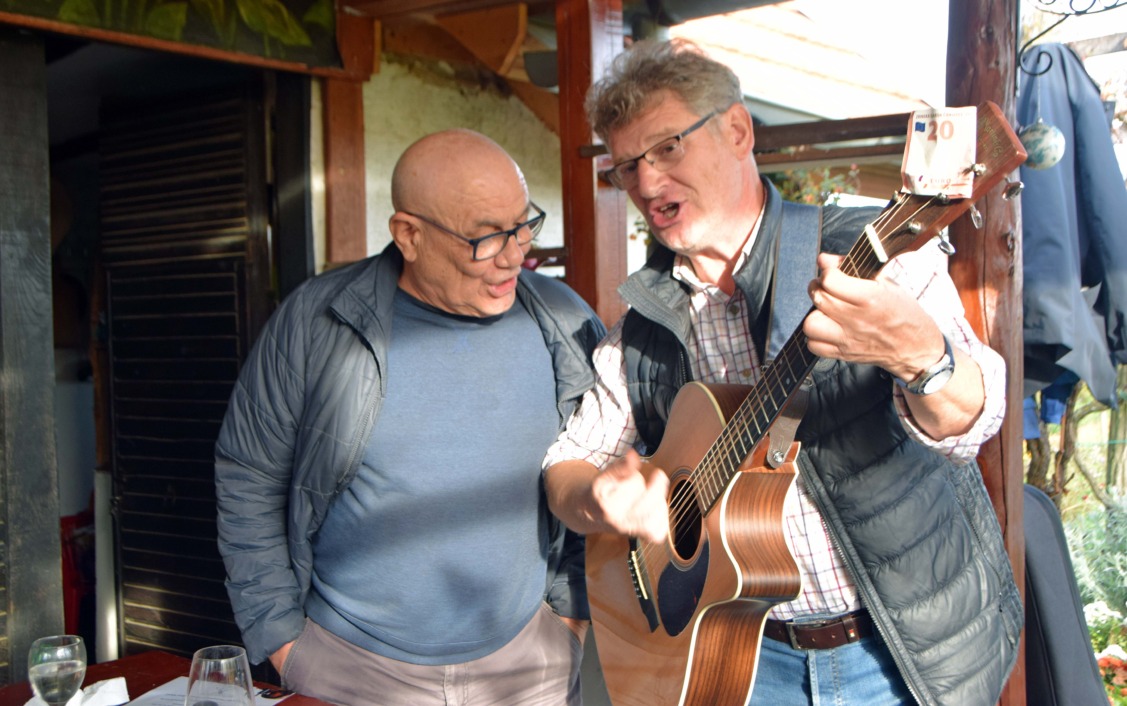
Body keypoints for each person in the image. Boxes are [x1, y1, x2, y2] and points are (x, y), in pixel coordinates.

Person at [542, 39, 1022, 706]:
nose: (646, 184)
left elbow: (975, 420)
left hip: (901, 650)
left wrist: (921, 356)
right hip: (739, 653)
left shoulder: (868, 259)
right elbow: (564, 466)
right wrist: (598, 499)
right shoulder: (643, 326)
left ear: (737, 131)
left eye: (667, 148)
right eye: (627, 166)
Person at [215, 128, 606, 706]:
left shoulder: (565, 319)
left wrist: (569, 621)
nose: (516, 254)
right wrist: (283, 642)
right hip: (350, 670)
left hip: (529, 666)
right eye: (486, 237)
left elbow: (604, 460)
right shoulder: (315, 322)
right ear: (409, 234)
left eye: (524, 225)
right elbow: (248, 476)